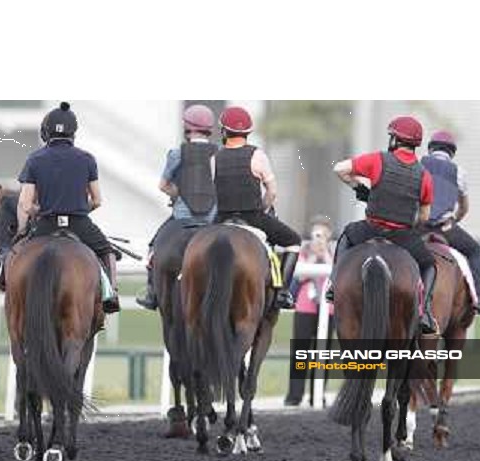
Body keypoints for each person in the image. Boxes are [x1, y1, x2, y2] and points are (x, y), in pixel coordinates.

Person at [327, 116, 438, 334]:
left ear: (395, 140)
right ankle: (424, 312)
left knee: (347, 236)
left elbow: (340, 169)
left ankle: (333, 285)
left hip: (370, 229)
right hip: (403, 236)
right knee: (429, 264)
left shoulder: (378, 160)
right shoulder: (424, 175)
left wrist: (360, 189)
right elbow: (425, 216)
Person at [16, 101, 120, 313]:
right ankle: (111, 295)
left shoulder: (34, 159)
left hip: (45, 224)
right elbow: (98, 200)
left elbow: (26, 205)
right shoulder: (87, 159)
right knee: (107, 251)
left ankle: (7, 284)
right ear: (73, 132)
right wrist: (80, 208)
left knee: (16, 255)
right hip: (79, 223)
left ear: (46, 132)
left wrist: (41, 211)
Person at [214, 106, 302, 309]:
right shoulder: (258, 156)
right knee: (294, 241)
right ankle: (282, 292)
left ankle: (184, 279)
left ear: (224, 131)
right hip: (253, 217)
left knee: (196, 243)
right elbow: (272, 192)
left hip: (221, 218)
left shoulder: (214, 158)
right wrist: (263, 207)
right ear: (248, 133)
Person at [137, 104, 218, 310]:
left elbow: (163, 185)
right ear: (209, 128)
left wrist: (178, 193)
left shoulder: (176, 153)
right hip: (212, 218)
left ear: (187, 127)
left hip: (183, 218)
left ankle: (152, 292)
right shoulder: (219, 153)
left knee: (154, 247)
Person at [421, 131, 480, 314]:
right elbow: (464, 207)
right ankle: (479, 298)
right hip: (445, 229)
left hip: (418, 227)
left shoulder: (418, 164)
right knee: (474, 250)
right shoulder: (459, 171)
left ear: (430, 149)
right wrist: (454, 220)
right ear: (451, 152)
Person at [284, 216, 334, 406]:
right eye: (316, 234)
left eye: (322, 234)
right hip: (305, 307)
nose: (319, 239)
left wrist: (325, 253)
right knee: (300, 352)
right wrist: (313, 255)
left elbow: (335, 273)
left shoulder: (333, 253)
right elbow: (301, 275)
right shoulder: (305, 253)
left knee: (323, 353)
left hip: (328, 310)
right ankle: (294, 395)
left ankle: (317, 394)